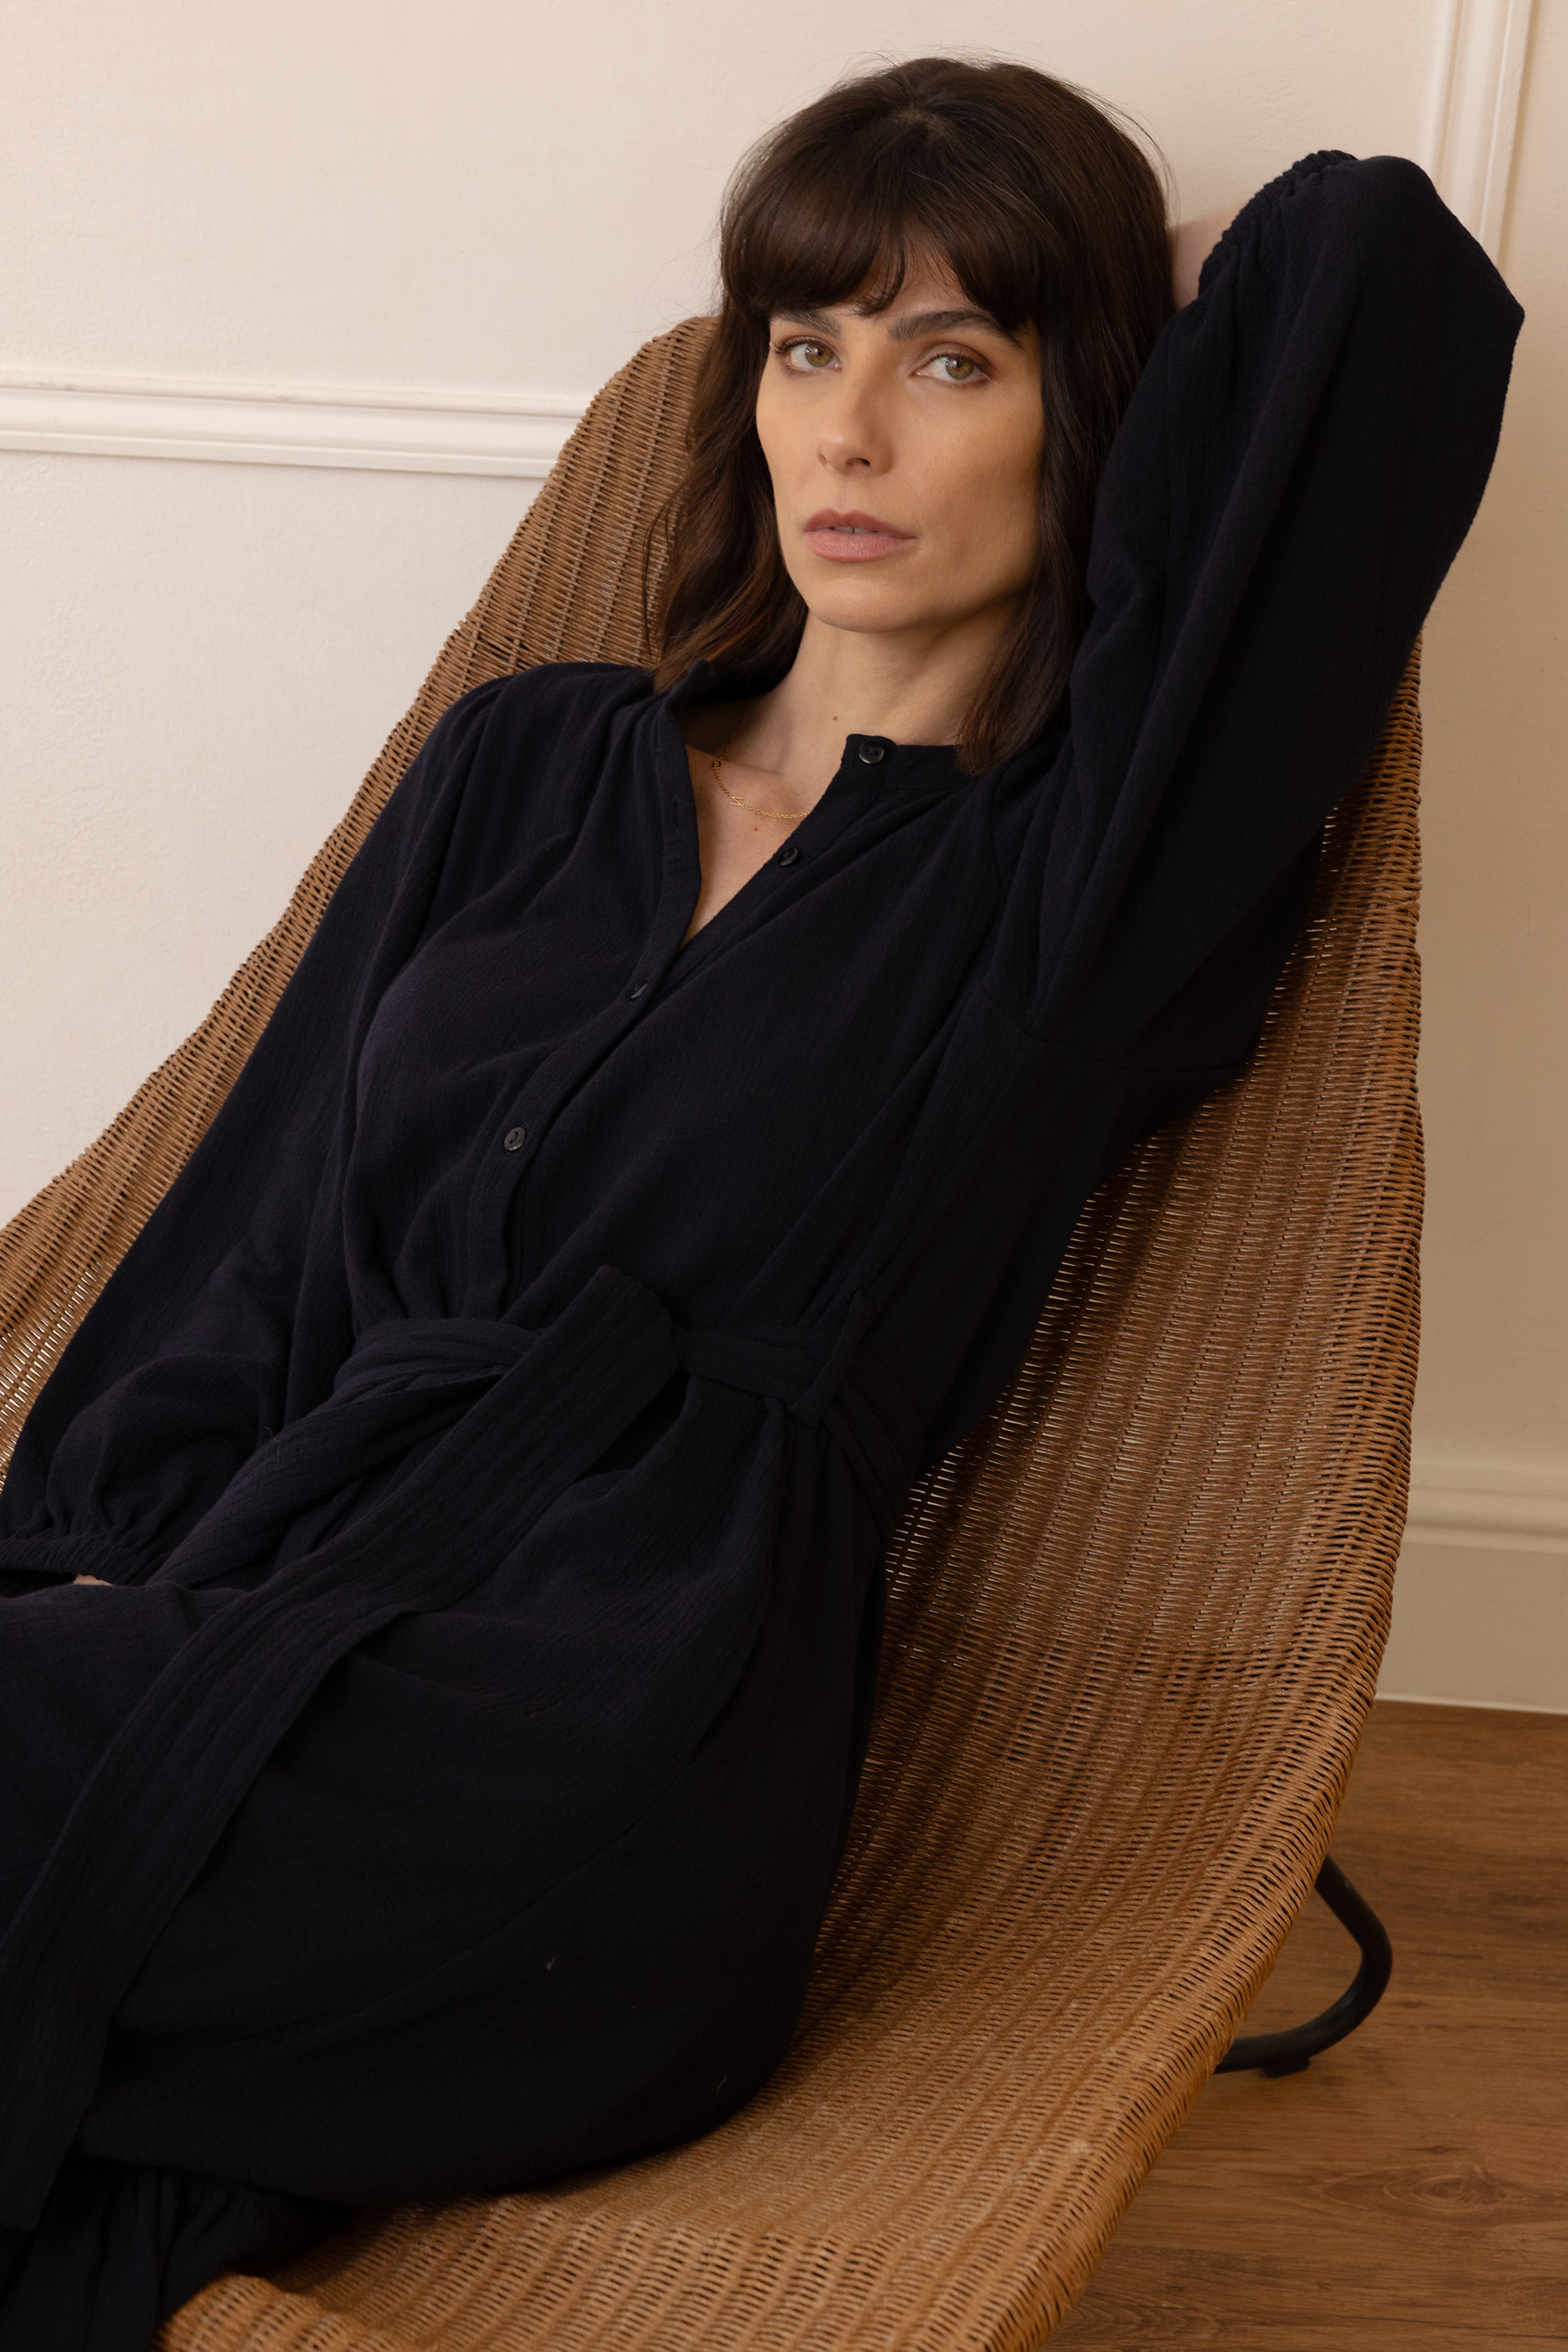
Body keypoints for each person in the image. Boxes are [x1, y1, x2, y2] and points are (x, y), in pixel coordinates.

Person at [0, 54, 1520, 2350]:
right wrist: (78, 1564)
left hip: (617, 1717)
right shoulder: (535, 762)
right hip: (276, 1580)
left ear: (1082, 404)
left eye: (954, 360)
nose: (849, 433)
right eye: (804, 347)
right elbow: (262, 1226)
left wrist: (1148, 297)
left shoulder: (1075, 895)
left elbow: (1385, 283)